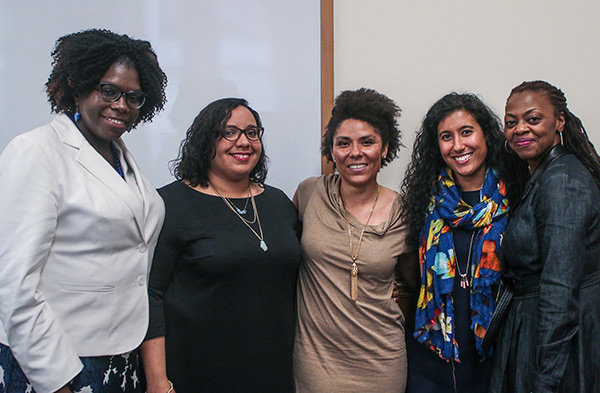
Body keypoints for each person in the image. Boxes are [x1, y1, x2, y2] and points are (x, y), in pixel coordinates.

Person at [0, 29, 167, 393]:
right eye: (108, 90)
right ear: (77, 85)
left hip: (121, 356)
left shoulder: (120, 156)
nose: (121, 105)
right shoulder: (36, 151)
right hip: (57, 361)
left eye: (134, 97)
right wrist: (56, 380)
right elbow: (13, 284)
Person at [140, 98, 302, 393]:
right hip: (194, 372)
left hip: (271, 372)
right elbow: (150, 295)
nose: (244, 142)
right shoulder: (170, 204)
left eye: (252, 133)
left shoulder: (279, 203)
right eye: (229, 132)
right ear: (206, 140)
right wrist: (157, 381)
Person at [400, 93, 526, 393]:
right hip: (430, 357)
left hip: (496, 358)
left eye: (466, 132)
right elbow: (407, 273)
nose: (458, 146)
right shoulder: (424, 202)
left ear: (486, 135)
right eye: (446, 137)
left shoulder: (518, 194)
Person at [293, 88, 414, 393]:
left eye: (367, 142)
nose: (355, 152)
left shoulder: (404, 211)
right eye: (343, 143)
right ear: (331, 151)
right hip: (316, 360)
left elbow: (415, 283)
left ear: (385, 148)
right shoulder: (310, 194)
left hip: (382, 359)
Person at [488, 81, 600, 393]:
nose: (520, 129)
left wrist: (546, 378)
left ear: (559, 121)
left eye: (533, 119)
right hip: (532, 330)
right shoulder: (543, 176)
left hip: (554, 345)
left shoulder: (562, 181)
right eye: (512, 122)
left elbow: (560, 289)